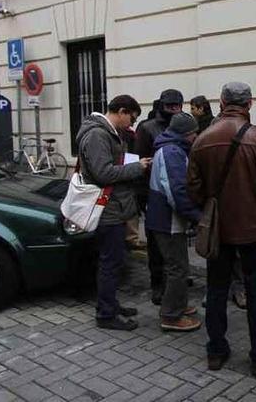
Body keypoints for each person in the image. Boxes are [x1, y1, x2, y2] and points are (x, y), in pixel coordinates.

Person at [188, 82, 256, 377]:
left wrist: (211, 205)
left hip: (218, 228)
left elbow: (192, 189)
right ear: (249, 104)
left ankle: (216, 352)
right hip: (254, 229)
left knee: (217, 289)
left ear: (221, 103)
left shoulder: (202, 139)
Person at [75, 95, 151, 331]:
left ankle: (111, 304)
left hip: (113, 206)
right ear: (121, 111)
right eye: (131, 118)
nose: (131, 125)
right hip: (107, 209)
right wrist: (135, 168)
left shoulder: (108, 132)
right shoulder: (98, 134)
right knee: (110, 262)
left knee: (114, 261)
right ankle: (106, 314)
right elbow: (103, 173)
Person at [147, 112, 203, 332]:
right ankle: (171, 316)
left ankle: (178, 304)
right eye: (194, 133)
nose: (196, 136)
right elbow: (177, 191)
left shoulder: (172, 148)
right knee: (177, 268)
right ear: (185, 134)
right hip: (167, 221)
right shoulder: (172, 152)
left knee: (178, 266)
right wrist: (196, 217)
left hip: (165, 219)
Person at [136, 89, 185, 306]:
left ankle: (174, 280)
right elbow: (138, 163)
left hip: (177, 191)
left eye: (178, 106)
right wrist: (142, 198)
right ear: (162, 106)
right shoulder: (147, 128)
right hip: (153, 193)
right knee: (156, 245)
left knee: (177, 244)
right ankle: (158, 283)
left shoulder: (183, 124)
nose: (175, 110)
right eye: (171, 107)